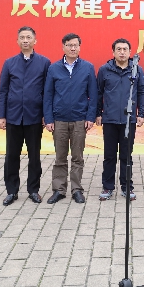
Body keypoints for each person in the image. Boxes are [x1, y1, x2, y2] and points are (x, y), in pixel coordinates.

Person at [0, 26, 51, 206]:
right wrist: (1, 116)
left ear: (35, 41)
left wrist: (46, 115)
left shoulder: (44, 63)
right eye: (22, 37)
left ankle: (33, 190)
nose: (25, 40)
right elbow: (3, 91)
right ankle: (11, 191)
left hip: (34, 117)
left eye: (28, 37)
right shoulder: (9, 63)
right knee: (11, 156)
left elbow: (47, 92)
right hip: (13, 117)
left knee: (34, 156)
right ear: (17, 41)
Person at [43, 33, 98, 204]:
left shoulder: (87, 67)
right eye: (69, 45)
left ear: (80, 47)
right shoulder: (54, 68)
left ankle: (76, 189)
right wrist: (49, 119)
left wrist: (90, 117)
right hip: (59, 120)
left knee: (77, 157)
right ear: (63, 47)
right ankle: (59, 190)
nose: (72, 48)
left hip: (80, 120)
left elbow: (93, 95)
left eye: (75, 45)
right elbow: (48, 95)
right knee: (60, 157)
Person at [96, 38, 144, 201]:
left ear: (130, 52)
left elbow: (142, 92)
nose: (122, 52)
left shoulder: (136, 69)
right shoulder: (105, 70)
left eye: (125, 49)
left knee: (126, 155)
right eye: (118, 49)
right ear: (113, 52)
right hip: (110, 119)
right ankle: (108, 187)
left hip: (128, 120)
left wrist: (141, 114)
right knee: (109, 155)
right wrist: (98, 113)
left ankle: (126, 187)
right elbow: (98, 93)